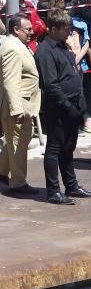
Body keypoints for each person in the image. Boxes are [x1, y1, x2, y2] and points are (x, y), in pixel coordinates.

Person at [36, 9, 91, 205]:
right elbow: (50, 84)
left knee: (68, 148)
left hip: (74, 105)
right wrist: (66, 105)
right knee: (54, 149)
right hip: (58, 108)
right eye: (64, 29)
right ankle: (53, 190)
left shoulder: (63, 47)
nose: (68, 33)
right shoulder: (45, 51)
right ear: (52, 29)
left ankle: (71, 185)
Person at [0, 15, 41, 194]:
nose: (31, 32)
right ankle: (18, 182)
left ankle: (1, 172)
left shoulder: (18, 46)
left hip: (26, 104)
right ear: (16, 30)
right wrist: (16, 110)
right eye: (28, 30)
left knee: (17, 140)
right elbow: (10, 82)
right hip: (18, 107)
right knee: (18, 143)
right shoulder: (12, 49)